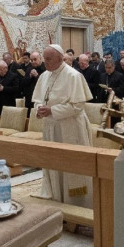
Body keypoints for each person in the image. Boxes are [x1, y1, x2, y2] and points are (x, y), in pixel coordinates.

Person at [32, 45, 95, 208]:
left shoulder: (73, 75)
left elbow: (78, 105)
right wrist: (39, 109)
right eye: (44, 59)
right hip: (50, 127)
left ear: (60, 58)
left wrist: (52, 110)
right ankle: (56, 195)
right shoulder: (44, 76)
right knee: (53, 162)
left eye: (49, 59)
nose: (45, 62)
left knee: (71, 165)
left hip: (70, 127)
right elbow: (37, 100)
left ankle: (77, 203)